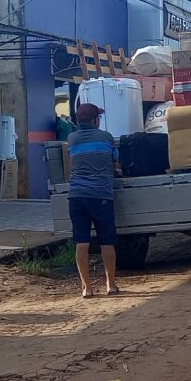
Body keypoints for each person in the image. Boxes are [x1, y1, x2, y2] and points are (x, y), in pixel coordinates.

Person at [67, 103, 120, 298]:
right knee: (107, 241)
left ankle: (86, 288)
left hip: (76, 196)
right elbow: (114, 157)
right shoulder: (105, 137)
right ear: (95, 120)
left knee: (81, 241)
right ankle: (111, 285)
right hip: (101, 195)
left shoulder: (71, 139)